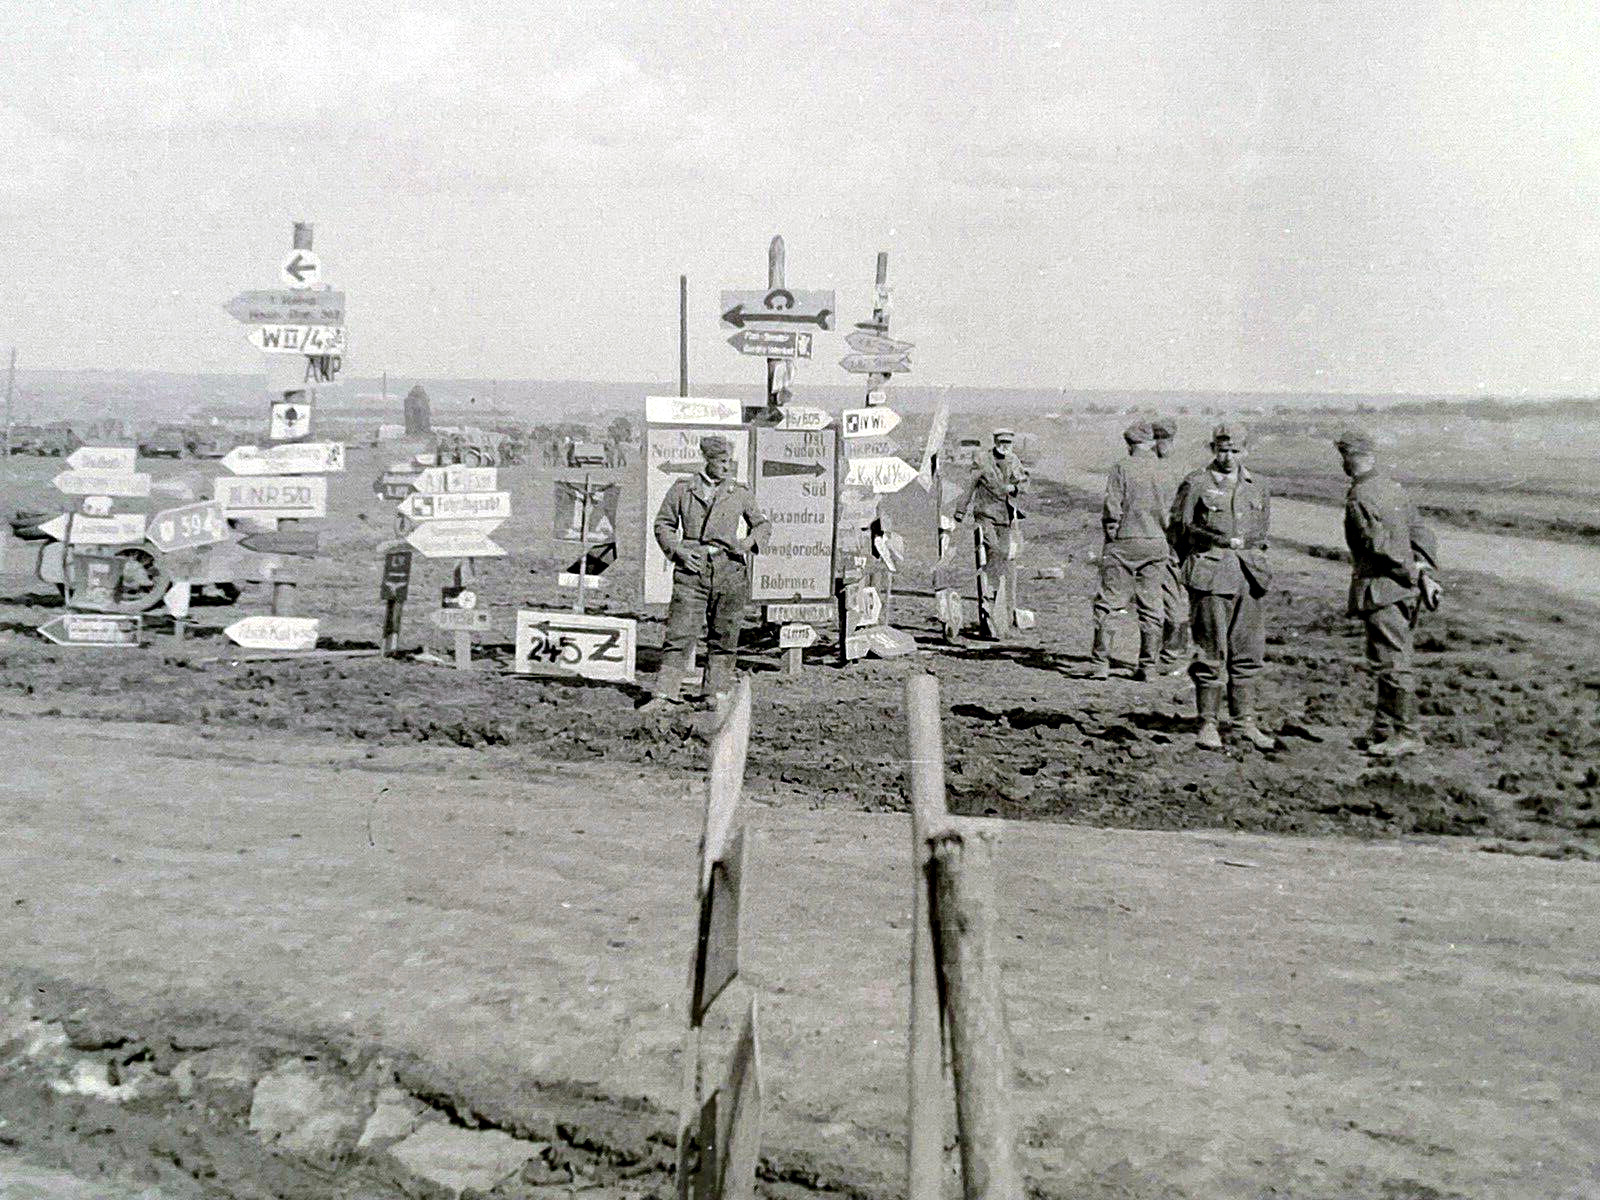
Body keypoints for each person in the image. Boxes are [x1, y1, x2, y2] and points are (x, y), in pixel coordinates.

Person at [1169, 424, 1274, 750]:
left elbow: (1261, 533)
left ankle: (1245, 723)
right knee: (1210, 652)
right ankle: (1208, 724)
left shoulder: (1258, 486)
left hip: (1248, 576)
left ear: (1246, 450)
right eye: (1222, 450)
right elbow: (1179, 529)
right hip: (1211, 577)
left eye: (1235, 451)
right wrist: (1195, 566)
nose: (1228, 457)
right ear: (1213, 449)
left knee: (1248, 652)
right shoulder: (1197, 483)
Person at [1337, 430, 1441, 757]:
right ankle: (1382, 728)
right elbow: (1421, 532)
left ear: (1348, 458)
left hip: (1382, 590)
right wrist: (1424, 572)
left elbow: (1379, 547)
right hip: (1404, 591)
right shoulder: (1393, 488)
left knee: (1392, 663)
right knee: (1388, 659)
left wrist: (1415, 575)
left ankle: (1407, 733)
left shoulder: (1360, 496)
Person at [645, 436, 770, 710]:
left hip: (730, 572)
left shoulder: (739, 492)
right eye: (722, 461)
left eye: (730, 462)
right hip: (692, 573)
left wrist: (747, 543)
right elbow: (663, 524)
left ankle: (715, 694)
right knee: (679, 635)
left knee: (724, 637)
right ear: (708, 461)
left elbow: (762, 525)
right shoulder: (683, 489)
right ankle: (664, 695)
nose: (727, 467)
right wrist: (678, 551)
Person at [1090, 421, 1170, 680]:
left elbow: (1112, 507)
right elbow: (1170, 512)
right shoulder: (1164, 469)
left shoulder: (1121, 467)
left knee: (1110, 603)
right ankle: (1148, 667)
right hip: (1156, 542)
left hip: (1124, 541)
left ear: (1129, 444)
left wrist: (1112, 534)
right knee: (1152, 604)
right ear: (1151, 443)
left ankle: (1101, 664)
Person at [951, 429, 1029, 639]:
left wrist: (1015, 487)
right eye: (1001, 442)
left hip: (1006, 517)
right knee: (993, 550)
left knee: (1006, 556)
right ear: (995, 441)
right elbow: (969, 485)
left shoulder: (1013, 460)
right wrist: (960, 510)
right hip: (985, 515)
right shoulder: (983, 460)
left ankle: (1002, 611)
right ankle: (990, 595)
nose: (1005, 446)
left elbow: (1024, 482)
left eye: (1008, 442)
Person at [1151, 417, 1190, 674]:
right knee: (1166, 597)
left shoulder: (1178, 469)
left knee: (1172, 597)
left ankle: (1172, 654)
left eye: (1164, 439)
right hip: (1161, 539)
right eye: (1157, 439)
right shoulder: (1166, 466)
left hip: (1173, 541)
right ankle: (1168, 653)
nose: (1160, 444)